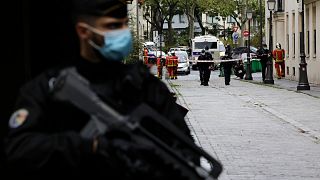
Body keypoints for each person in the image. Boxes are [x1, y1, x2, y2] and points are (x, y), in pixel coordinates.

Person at [4, 0, 195, 178]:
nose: (122, 32)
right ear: (83, 31)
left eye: (124, 24)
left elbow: (186, 153)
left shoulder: (147, 88)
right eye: (112, 26)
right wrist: (89, 145)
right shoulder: (49, 86)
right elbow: (19, 149)